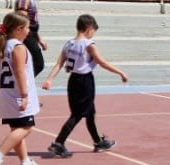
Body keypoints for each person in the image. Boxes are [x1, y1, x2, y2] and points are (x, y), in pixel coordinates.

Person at [41, 14, 127, 156]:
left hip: (73, 81)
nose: (93, 34)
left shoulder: (69, 44)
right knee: (77, 114)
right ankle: (59, 143)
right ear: (88, 29)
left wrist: (49, 79)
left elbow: (59, 64)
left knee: (90, 112)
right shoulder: (88, 44)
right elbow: (102, 62)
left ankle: (98, 142)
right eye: (93, 30)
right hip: (85, 81)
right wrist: (120, 72)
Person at [0, 12, 42, 165]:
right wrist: (24, 95)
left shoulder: (5, 45)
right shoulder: (18, 47)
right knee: (26, 128)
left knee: (16, 129)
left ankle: (25, 162)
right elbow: (20, 72)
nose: (29, 31)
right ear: (18, 29)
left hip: (5, 94)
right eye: (27, 28)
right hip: (16, 93)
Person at [14, 0, 46, 76]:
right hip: (27, 35)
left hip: (31, 34)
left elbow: (33, 24)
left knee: (32, 62)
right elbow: (21, 15)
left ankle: (23, 83)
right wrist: (22, 36)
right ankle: (23, 83)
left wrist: (39, 39)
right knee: (38, 63)